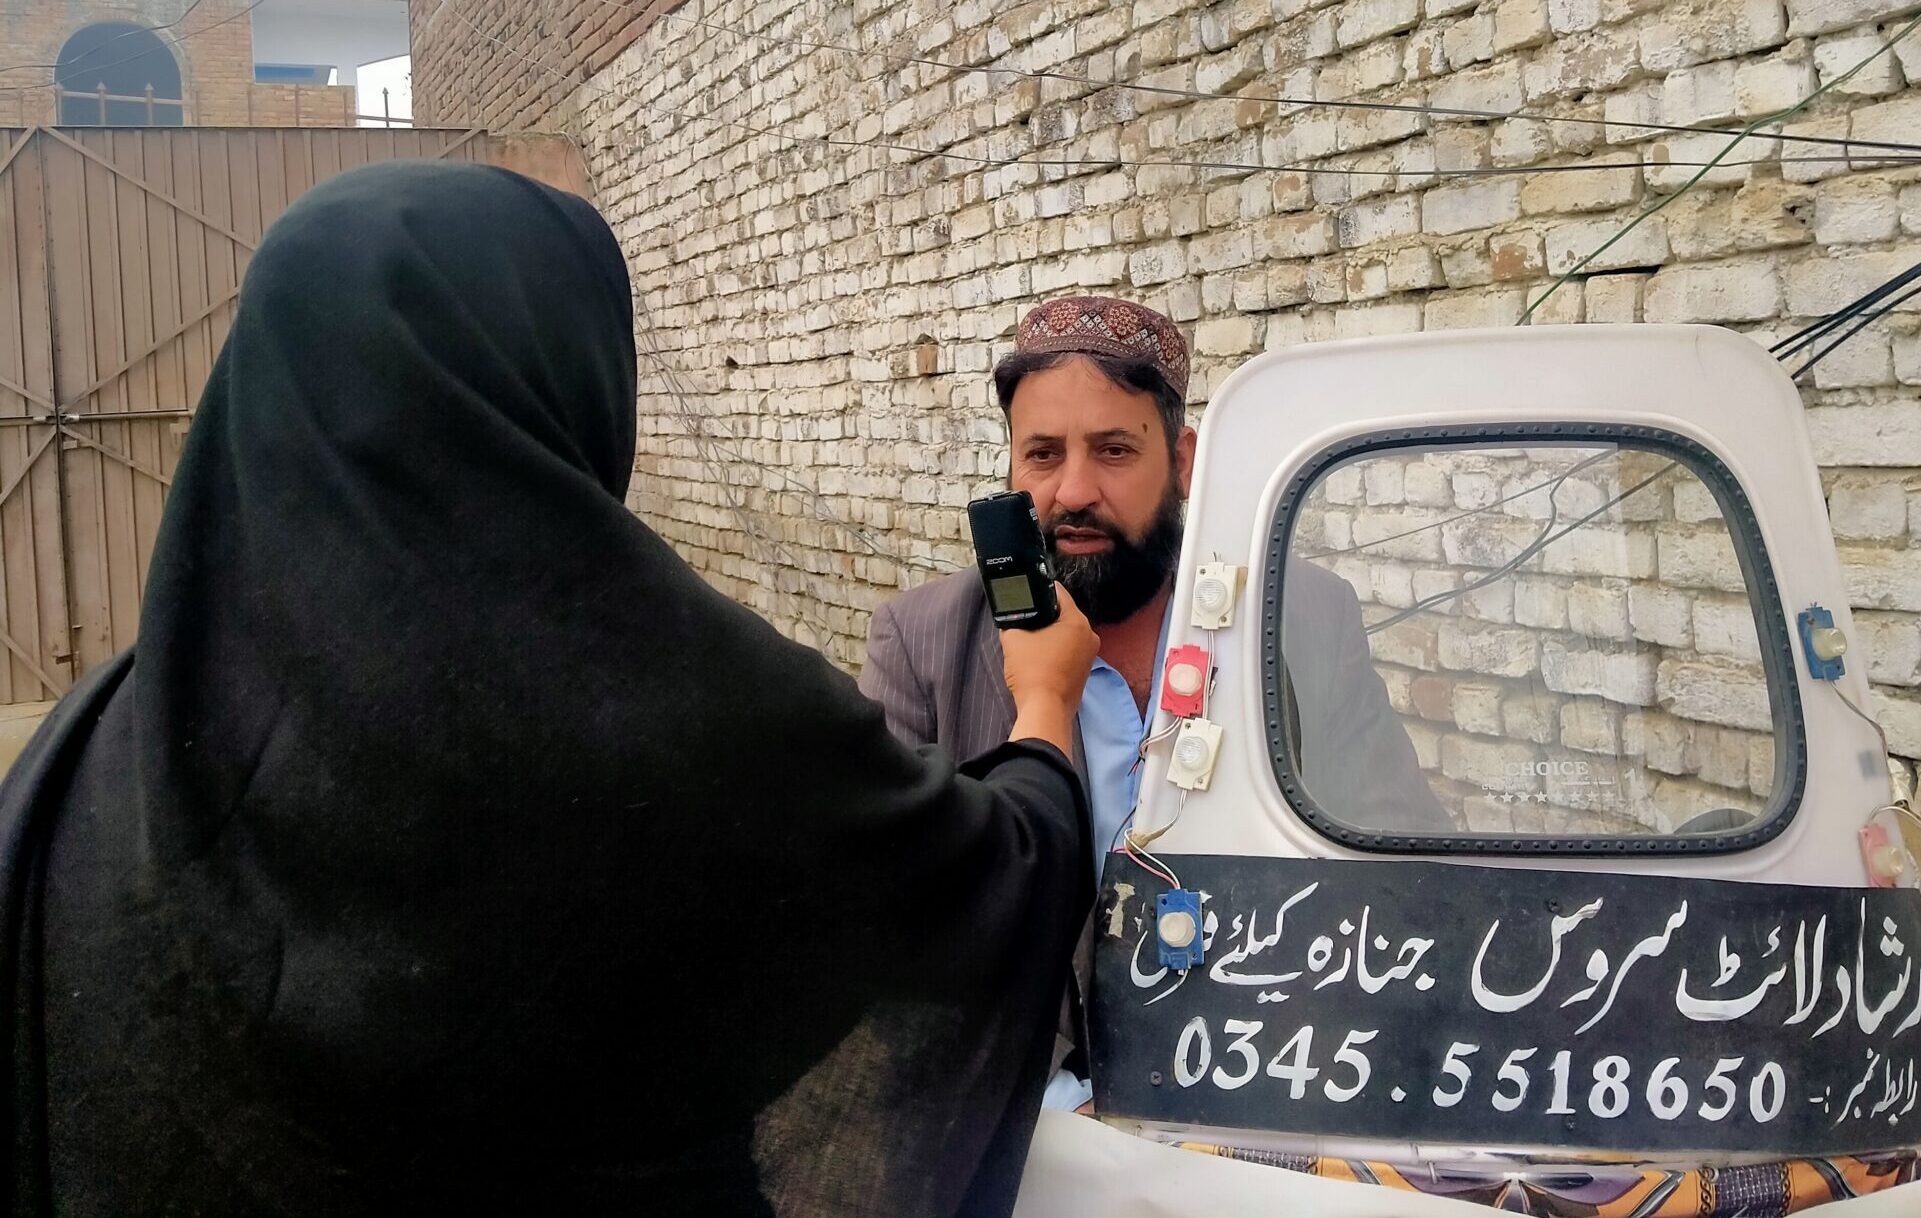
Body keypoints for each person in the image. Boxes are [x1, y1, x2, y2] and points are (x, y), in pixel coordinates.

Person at [0, 162, 1101, 1218]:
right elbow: (967, 897)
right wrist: (1043, 709)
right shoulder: (681, 724)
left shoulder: (98, 749)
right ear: (565, 376)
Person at [858, 296, 1446, 1109]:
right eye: (1041, 455)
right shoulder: (923, 647)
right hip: (1033, 1119)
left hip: (1265, 1077)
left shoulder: (1300, 617)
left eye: (1113, 451)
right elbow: (887, 947)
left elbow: (1402, 872)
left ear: (1183, 461)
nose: (1071, 491)